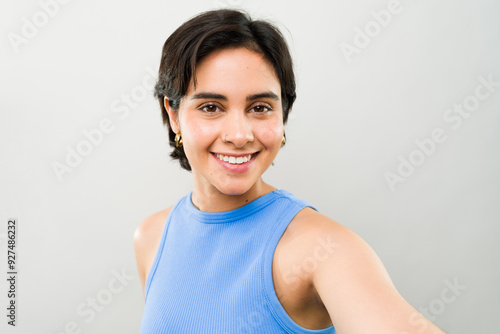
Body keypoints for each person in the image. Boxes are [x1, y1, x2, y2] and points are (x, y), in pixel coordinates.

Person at [134, 9, 445, 333]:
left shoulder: (322, 249)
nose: (239, 135)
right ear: (173, 114)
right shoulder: (151, 238)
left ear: (283, 114)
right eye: (211, 107)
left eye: (260, 108)